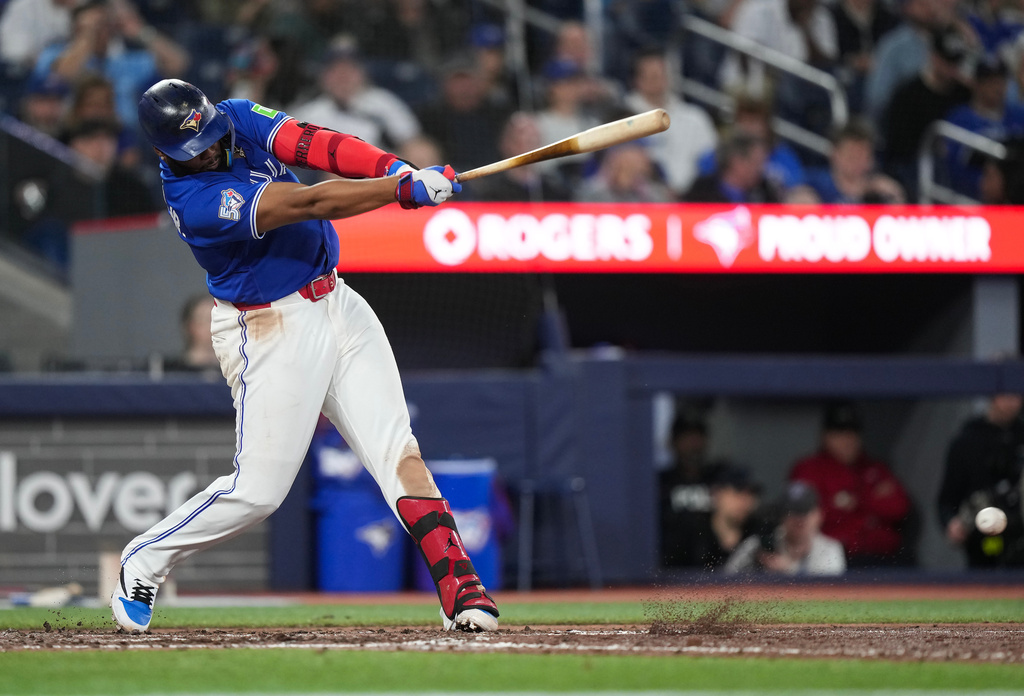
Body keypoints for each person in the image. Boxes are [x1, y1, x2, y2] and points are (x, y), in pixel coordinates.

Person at [111, 78, 499, 634]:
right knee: (258, 492)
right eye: (200, 149)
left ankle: (459, 586)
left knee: (398, 451)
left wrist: (395, 168)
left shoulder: (236, 117)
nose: (216, 150)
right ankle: (143, 558)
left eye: (215, 138)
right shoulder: (194, 202)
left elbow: (319, 146)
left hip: (337, 299)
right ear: (164, 152)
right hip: (269, 325)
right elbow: (310, 200)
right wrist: (400, 192)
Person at [788, 401, 912, 566]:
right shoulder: (808, 469)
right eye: (839, 433)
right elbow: (806, 515)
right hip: (836, 560)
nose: (847, 440)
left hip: (886, 558)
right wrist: (871, 512)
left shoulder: (875, 469)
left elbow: (899, 507)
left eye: (852, 432)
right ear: (825, 436)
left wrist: (857, 502)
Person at [287, 36, 422, 155]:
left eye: (350, 69)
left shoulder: (382, 101)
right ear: (323, 77)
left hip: (384, 173)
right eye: (336, 70)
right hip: (334, 177)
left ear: (362, 73)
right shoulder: (308, 114)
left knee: (421, 151)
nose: (343, 76)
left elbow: (411, 139)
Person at [881, 25, 972, 196]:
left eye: (956, 63)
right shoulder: (908, 94)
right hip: (915, 169)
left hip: (956, 169)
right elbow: (898, 150)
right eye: (947, 62)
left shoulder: (963, 94)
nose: (952, 69)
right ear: (934, 57)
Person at [938, 391, 1024, 567]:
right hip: (981, 535)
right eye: (1005, 395)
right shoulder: (968, 440)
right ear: (992, 397)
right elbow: (947, 498)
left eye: (1017, 395)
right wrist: (951, 522)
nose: (1012, 403)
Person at [623, 48, 718, 196]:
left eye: (661, 74)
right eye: (651, 76)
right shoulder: (622, 119)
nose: (658, 80)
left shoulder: (695, 117)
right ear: (637, 80)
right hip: (641, 199)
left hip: (692, 199)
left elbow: (709, 162)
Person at [724, 481, 847, 576]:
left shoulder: (830, 548)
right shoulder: (759, 544)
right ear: (782, 516)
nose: (800, 519)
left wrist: (788, 572)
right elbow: (725, 579)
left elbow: (831, 593)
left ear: (819, 515)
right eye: (793, 512)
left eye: (805, 511)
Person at [943, 56, 1024, 199]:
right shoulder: (960, 119)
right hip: (975, 197)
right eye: (991, 82)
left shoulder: (1019, 114)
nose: (997, 87)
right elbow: (955, 168)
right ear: (977, 84)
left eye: (1001, 81)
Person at [663, 463, 762, 570]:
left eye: (751, 493)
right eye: (738, 491)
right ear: (717, 493)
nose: (745, 501)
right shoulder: (692, 536)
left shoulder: (760, 534)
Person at [805, 121, 906, 203]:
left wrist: (896, 197)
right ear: (835, 154)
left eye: (862, 156)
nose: (856, 162)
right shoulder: (814, 184)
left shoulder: (880, 192)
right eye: (851, 155)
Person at [684, 132, 784, 203]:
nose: (761, 168)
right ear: (736, 161)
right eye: (756, 162)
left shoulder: (765, 192)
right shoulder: (702, 190)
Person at [164, 293, 218, 372]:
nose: (216, 326)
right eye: (208, 320)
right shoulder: (167, 371)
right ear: (191, 326)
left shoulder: (238, 371)